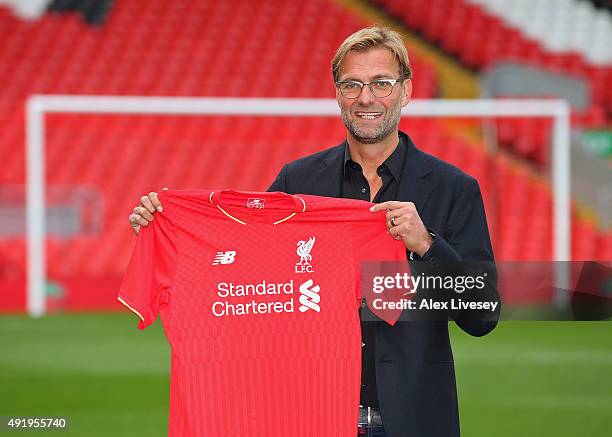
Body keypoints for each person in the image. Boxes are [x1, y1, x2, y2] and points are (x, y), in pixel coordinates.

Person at [128, 27, 499, 437]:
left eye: (382, 83)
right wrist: (168, 231)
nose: (366, 98)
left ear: (406, 91)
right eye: (352, 84)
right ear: (338, 94)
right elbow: (242, 273)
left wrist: (427, 245)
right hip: (310, 414)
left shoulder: (453, 189)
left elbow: (482, 316)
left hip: (415, 418)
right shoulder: (298, 182)